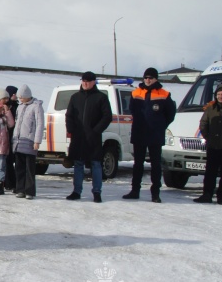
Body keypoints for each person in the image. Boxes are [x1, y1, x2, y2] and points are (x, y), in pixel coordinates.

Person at [122, 68, 177, 203]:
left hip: (155, 134)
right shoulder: (136, 93)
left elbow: (170, 114)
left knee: (155, 165)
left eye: (151, 78)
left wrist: (161, 125)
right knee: (138, 164)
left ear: (156, 79)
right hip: (139, 132)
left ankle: (155, 193)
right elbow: (133, 110)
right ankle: (135, 191)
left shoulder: (164, 94)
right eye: (146, 77)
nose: (148, 80)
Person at [65, 72, 113, 203]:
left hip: (93, 137)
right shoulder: (75, 97)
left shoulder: (101, 97)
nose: (85, 83)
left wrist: (96, 130)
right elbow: (69, 115)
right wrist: (71, 130)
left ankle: (97, 192)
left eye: (88, 81)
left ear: (93, 82)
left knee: (96, 164)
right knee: (78, 164)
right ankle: (76, 191)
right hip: (78, 137)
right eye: (83, 80)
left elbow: (107, 116)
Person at [11, 85, 44, 200]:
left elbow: (40, 124)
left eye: (21, 97)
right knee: (19, 167)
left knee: (29, 168)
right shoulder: (20, 107)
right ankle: (20, 189)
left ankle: (29, 191)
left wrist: (37, 140)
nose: (20, 99)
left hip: (29, 141)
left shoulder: (36, 106)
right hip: (18, 140)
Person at [4, 85, 19, 192]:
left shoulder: (17, 106)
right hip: (6, 135)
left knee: (14, 161)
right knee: (7, 161)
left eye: (16, 93)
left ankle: (14, 183)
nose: (15, 96)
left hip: (15, 136)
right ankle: (8, 182)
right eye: (13, 93)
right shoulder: (6, 106)